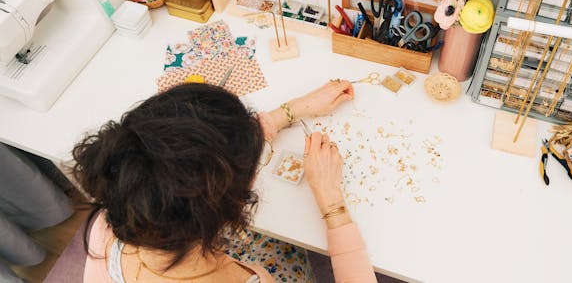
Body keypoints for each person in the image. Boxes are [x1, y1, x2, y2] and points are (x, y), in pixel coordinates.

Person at [72, 80, 377, 282]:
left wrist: (291, 110)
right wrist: (331, 201)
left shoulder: (114, 214)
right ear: (229, 205)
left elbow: (190, 151)